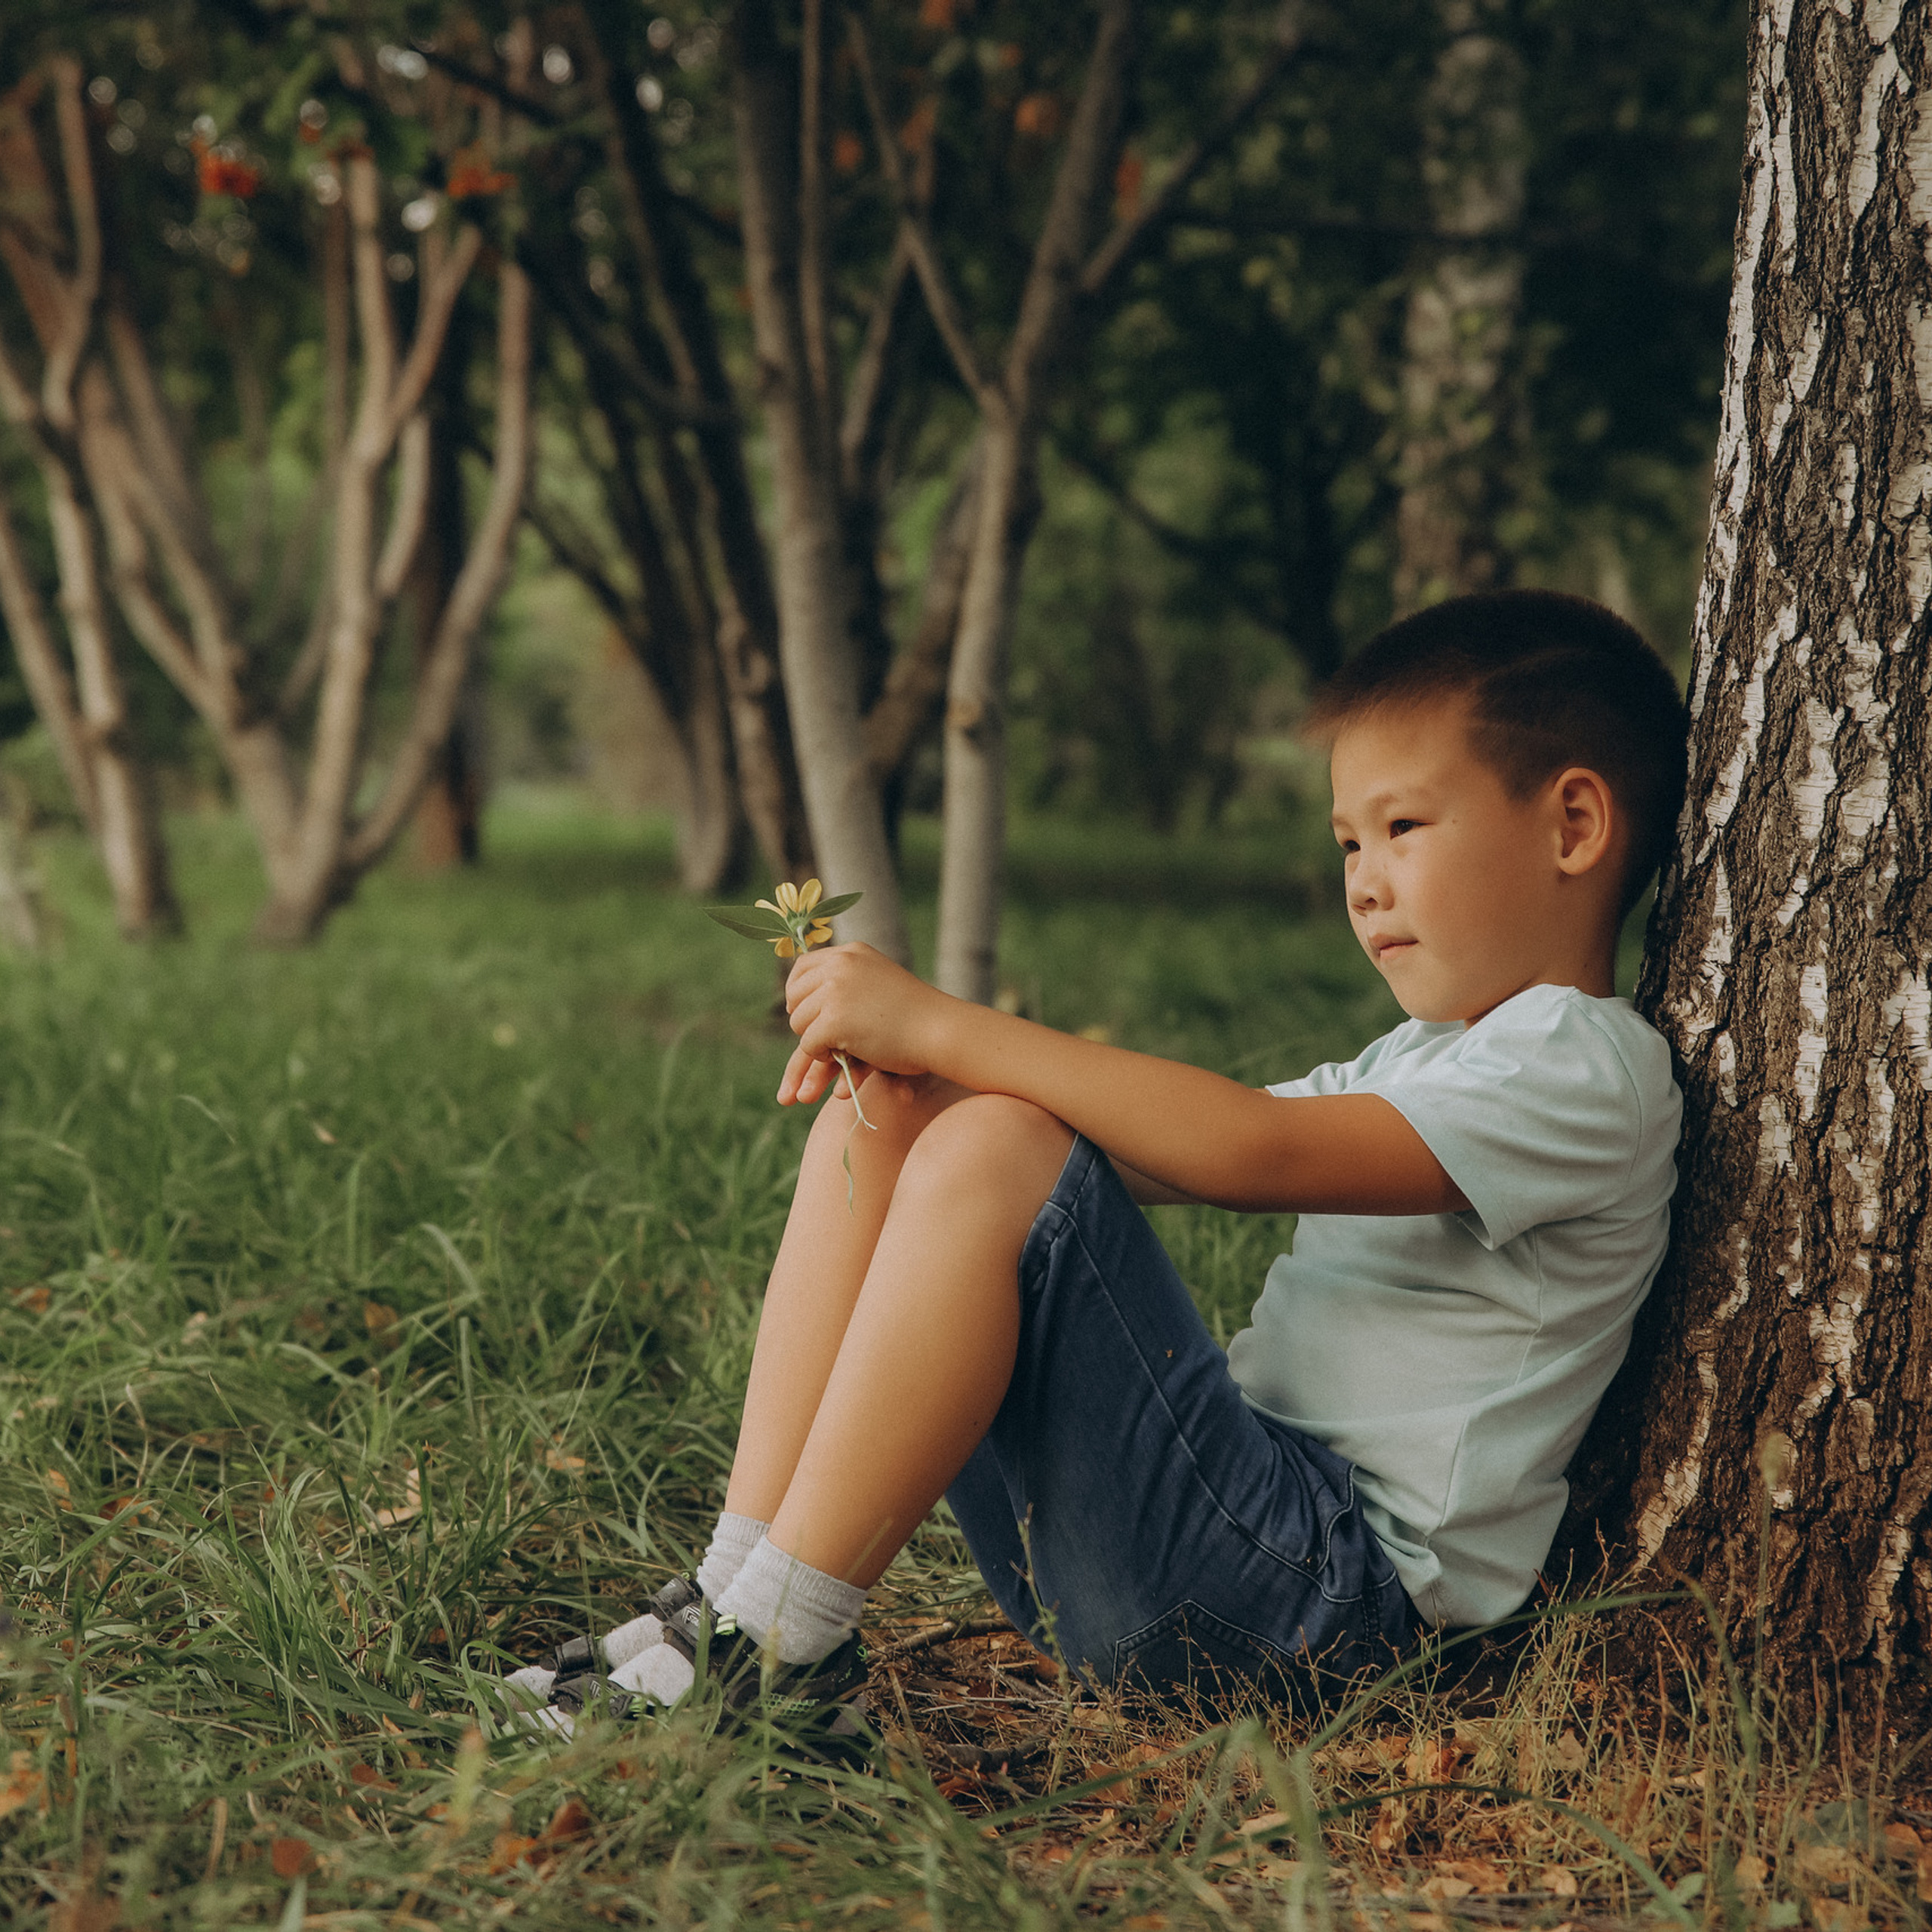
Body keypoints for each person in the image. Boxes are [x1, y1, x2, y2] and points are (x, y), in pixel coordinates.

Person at [506, 588, 1687, 1742]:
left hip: (1328, 1610)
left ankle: (776, 1652)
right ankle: (740, 1595)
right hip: (1215, 1549)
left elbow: (1246, 1148)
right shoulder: (1430, 1055)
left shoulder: (1586, 1067)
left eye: (1404, 828)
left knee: (991, 1133)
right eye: (1346, 843)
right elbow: (1155, 1148)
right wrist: (919, 1076)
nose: (1363, 881)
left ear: (1573, 826)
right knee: (896, 1119)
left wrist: (948, 1027)